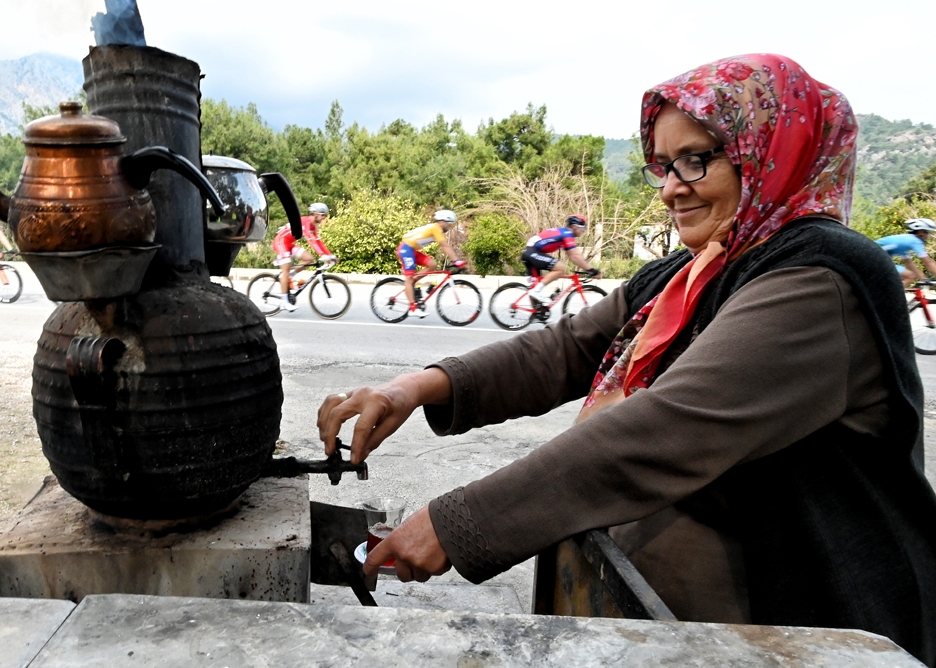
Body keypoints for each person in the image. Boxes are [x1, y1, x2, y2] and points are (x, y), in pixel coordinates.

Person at [317, 54, 936, 665]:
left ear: (772, 150)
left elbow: (669, 427)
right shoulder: (696, 266)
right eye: (662, 165)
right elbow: (565, 349)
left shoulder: (819, 278)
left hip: (811, 623)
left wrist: (458, 523)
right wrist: (415, 386)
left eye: (697, 159)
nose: (671, 188)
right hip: (687, 616)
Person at [397, 210, 467, 318]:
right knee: (409, 278)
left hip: (412, 250)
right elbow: (445, 246)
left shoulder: (436, 229)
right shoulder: (436, 228)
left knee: (432, 264)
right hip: (406, 249)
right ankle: (412, 308)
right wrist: (456, 260)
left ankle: (412, 282)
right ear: (443, 221)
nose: (449, 227)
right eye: (449, 224)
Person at [271, 202, 336, 311]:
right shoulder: (305, 222)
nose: (324, 218)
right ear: (315, 214)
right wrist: (323, 255)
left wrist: (329, 255)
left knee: (309, 259)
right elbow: (312, 242)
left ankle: (291, 275)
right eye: (323, 215)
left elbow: (318, 242)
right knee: (285, 270)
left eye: (325, 215)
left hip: (289, 244)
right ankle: (283, 302)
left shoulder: (313, 226)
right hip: (280, 242)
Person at [523, 215, 600, 302]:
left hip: (530, 252)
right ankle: (536, 292)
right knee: (561, 268)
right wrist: (592, 270)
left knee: (535, 285)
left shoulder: (562, 233)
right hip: (532, 252)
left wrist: (587, 268)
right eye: (583, 227)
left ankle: (537, 312)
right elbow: (575, 256)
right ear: (574, 227)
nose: (583, 230)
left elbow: (572, 256)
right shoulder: (567, 234)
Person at [876, 219, 936, 288]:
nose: (928, 236)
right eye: (927, 232)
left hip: (874, 259)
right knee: (909, 276)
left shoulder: (905, 240)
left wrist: (924, 279)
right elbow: (927, 262)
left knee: (909, 275)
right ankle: (890, 296)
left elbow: (909, 263)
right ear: (921, 232)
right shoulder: (915, 241)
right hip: (875, 260)